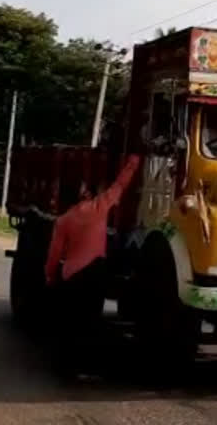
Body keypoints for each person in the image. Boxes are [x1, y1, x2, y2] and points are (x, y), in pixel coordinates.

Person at [45, 154, 141, 369]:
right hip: (96, 273)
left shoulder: (62, 221)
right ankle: (85, 364)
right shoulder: (100, 207)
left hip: (72, 275)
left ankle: (65, 362)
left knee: (70, 321)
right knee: (90, 320)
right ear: (86, 194)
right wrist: (133, 164)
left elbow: (54, 254)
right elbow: (120, 185)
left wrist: (51, 277)